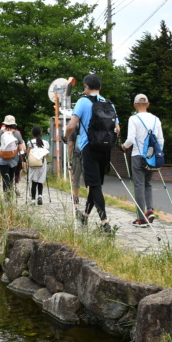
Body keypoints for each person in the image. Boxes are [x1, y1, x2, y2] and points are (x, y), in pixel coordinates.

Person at [64, 74, 120, 233]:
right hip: (105, 149)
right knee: (95, 184)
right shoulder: (109, 104)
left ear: (86, 87)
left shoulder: (83, 101)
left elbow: (71, 126)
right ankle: (85, 215)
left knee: (94, 186)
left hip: (89, 147)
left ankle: (105, 223)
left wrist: (65, 137)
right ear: (100, 88)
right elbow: (117, 129)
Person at [122, 94, 164, 228]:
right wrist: (155, 155)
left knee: (138, 185)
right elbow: (161, 140)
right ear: (148, 104)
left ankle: (141, 219)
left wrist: (124, 146)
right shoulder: (156, 119)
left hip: (137, 156)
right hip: (151, 158)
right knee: (148, 184)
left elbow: (130, 140)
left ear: (134, 105)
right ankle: (150, 209)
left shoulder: (133, 119)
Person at [0, 115, 26, 198]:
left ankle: (6, 198)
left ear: (5, 123)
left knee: (5, 179)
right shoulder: (17, 133)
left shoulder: (0, 132)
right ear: (14, 123)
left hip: (2, 158)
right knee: (11, 178)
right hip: (14, 159)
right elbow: (21, 148)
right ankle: (10, 196)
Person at [27, 126, 50, 205]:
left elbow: (28, 154)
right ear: (41, 133)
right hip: (42, 164)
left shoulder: (30, 142)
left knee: (34, 182)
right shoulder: (45, 142)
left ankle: (33, 200)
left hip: (33, 164)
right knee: (40, 181)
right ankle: (40, 196)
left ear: (32, 134)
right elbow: (47, 155)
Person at [67, 125, 84, 207]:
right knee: (89, 180)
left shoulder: (73, 129)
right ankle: (90, 199)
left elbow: (70, 145)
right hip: (88, 157)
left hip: (77, 157)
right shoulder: (88, 127)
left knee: (75, 179)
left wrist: (69, 159)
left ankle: (76, 199)